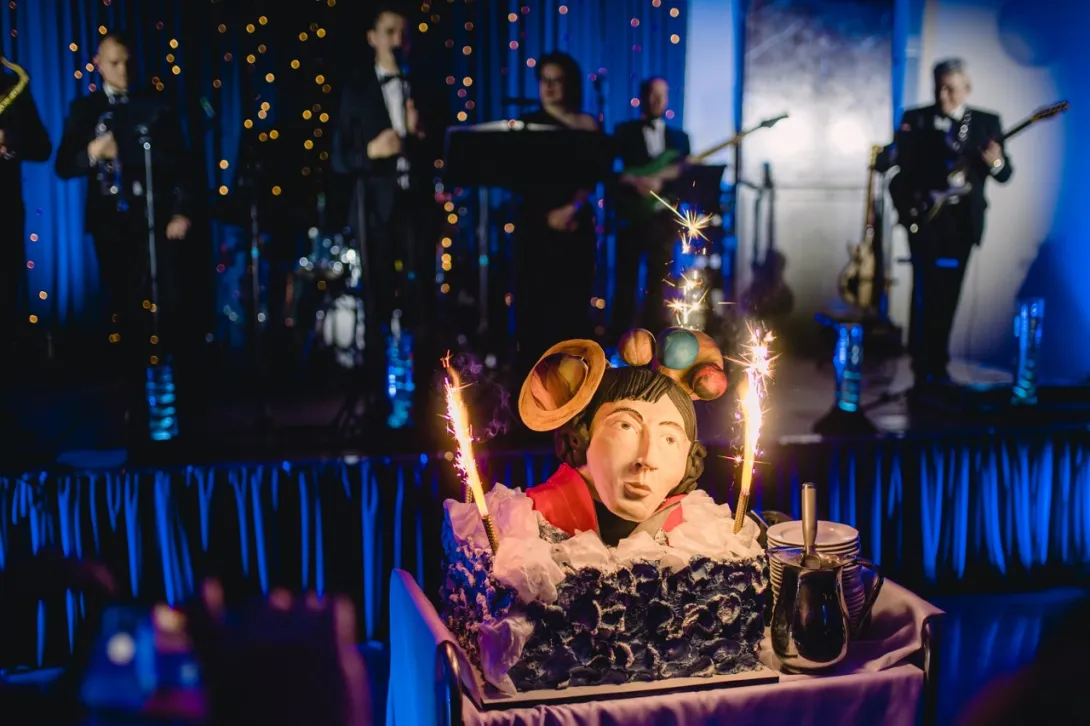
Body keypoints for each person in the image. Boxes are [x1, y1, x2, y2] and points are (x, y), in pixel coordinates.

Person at [54, 32, 195, 441]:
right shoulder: (85, 109)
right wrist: (92, 152)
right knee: (123, 309)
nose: (123, 70)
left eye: (128, 62)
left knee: (167, 305)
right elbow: (63, 165)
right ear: (99, 64)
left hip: (154, 220)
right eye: (114, 63)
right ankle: (131, 402)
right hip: (111, 225)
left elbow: (180, 162)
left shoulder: (156, 105)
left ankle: (170, 404)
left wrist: (181, 210)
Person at [331, 3, 444, 433]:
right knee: (377, 304)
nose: (398, 41)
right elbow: (340, 158)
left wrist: (421, 135)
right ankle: (376, 404)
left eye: (404, 33)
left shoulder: (425, 87)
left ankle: (425, 405)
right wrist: (372, 151)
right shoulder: (356, 89)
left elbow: (445, 151)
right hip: (374, 211)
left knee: (423, 305)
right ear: (373, 37)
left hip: (416, 209)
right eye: (391, 31)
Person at [517, 331, 728, 546]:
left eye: (669, 440)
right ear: (579, 437)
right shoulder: (520, 524)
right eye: (626, 426)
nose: (647, 460)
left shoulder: (703, 536)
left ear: (689, 459)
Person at [887, 58, 1012, 389]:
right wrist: (909, 211)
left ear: (966, 89)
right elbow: (898, 171)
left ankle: (938, 364)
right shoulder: (916, 118)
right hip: (926, 220)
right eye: (938, 88)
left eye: (951, 89)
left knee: (949, 293)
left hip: (961, 224)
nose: (943, 96)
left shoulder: (986, 122)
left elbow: (1005, 174)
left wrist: (995, 162)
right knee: (924, 291)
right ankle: (921, 365)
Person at [515, 52, 601, 376]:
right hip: (536, 228)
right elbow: (520, 181)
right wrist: (547, 216)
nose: (549, 87)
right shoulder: (526, 125)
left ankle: (575, 381)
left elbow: (591, 177)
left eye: (557, 80)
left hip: (575, 227)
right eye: (544, 80)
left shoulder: (587, 125)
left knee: (573, 308)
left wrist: (571, 209)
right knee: (533, 310)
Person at [612, 77, 691, 336]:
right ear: (643, 97)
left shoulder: (680, 139)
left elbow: (686, 178)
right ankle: (620, 338)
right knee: (626, 279)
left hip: (664, 220)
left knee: (661, 280)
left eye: (662, 94)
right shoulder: (624, 132)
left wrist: (662, 184)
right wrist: (636, 182)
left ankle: (656, 337)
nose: (657, 100)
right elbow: (612, 172)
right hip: (632, 217)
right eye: (652, 94)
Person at [0, 51, 52, 358]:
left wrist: (11, 142)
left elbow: (42, 148)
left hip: (5, 213)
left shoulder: (13, 86)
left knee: (6, 299)